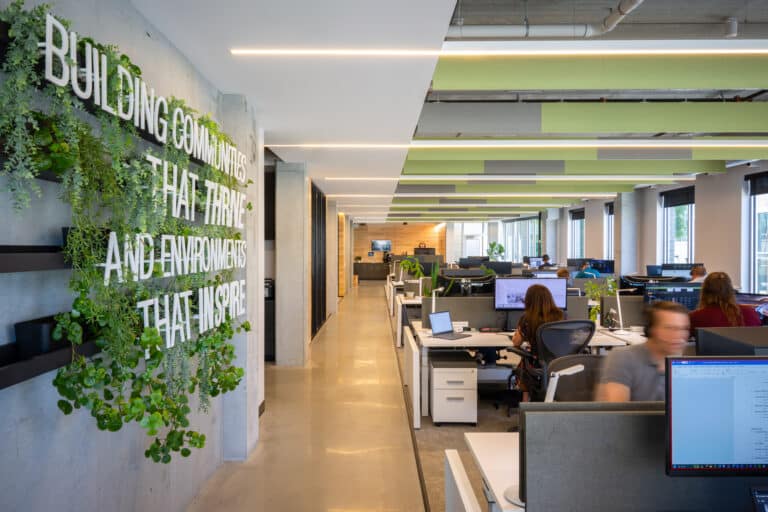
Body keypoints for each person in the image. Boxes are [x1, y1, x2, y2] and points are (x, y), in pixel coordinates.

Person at [596, 301, 689, 402]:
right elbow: (618, 414)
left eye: (684, 329)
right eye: (670, 328)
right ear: (651, 330)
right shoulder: (623, 358)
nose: (679, 335)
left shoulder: (686, 366)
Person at [512, 284, 565, 399]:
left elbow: (516, 343)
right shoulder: (561, 316)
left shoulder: (527, 319)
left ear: (529, 301)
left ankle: (526, 406)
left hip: (537, 364)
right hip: (560, 362)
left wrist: (519, 330)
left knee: (524, 362)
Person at [689, 271, 760, 337]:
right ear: (731, 291)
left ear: (704, 292)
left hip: (712, 350)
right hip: (745, 351)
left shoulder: (695, 317)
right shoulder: (750, 313)